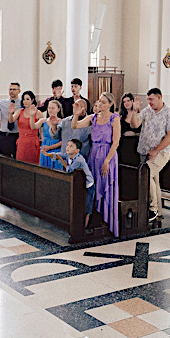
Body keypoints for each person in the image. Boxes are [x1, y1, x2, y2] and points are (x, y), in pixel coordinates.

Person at [73, 92, 121, 235]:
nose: (100, 104)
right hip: (94, 155)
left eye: (104, 102)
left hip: (108, 155)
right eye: (99, 101)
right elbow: (75, 126)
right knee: (92, 186)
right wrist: (76, 114)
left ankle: (107, 220)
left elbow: (116, 142)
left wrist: (107, 161)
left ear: (110, 104)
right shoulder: (92, 117)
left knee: (106, 186)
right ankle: (95, 218)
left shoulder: (114, 118)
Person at [137, 88, 170, 225]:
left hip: (161, 152)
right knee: (154, 181)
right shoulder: (147, 111)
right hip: (145, 151)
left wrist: (156, 150)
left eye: (151, 99)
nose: (149, 102)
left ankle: (153, 208)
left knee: (147, 173)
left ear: (159, 97)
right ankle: (159, 213)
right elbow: (135, 124)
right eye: (148, 99)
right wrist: (135, 110)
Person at [50, 138, 95, 215]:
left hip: (88, 185)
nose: (68, 147)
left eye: (71, 146)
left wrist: (61, 160)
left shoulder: (79, 160)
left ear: (77, 151)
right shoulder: (68, 155)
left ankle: (85, 221)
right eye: (68, 145)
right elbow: (61, 155)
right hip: (80, 183)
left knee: (87, 208)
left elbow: (69, 170)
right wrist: (49, 154)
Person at [61, 97, 92, 163]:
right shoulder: (65, 121)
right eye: (75, 107)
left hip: (81, 160)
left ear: (84, 109)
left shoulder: (90, 123)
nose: (76, 109)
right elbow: (55, 136)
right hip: (65, 160)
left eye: (78, 107)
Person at [36, 98, 64, 169]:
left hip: (56, 150)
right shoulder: (44, 121)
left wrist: (49, 148)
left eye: (53, 108)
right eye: (49, 108)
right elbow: (34, 126)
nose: (50, 110)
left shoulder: (62, 122)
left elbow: (63, 141)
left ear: (58, 109)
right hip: (44, 149)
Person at [14, 90, 40, 163]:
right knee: (20, 163)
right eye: (24, 99)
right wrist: (10, 113)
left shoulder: (38, 113)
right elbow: (11, 120)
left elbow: (42, 129)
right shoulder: (19, 111)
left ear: (32, 100)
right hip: (22, 142)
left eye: (27, 99)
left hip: (32, 142)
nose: (25, 101)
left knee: (33, 163)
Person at [118, 93, 141, 167]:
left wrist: (135, 110)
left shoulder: (139, 115)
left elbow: (136, 127)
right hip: (123, 145)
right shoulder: (121, 117)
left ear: (132, 101)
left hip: (135, 145)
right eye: (124, 102)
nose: (126, 103)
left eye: (128, 101)